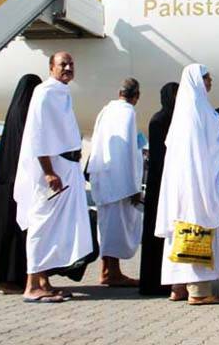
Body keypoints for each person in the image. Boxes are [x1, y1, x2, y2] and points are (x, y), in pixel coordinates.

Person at [14, 52, 93, 303]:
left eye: (71, 64)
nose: (68, 67)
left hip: (67, 166)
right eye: (63, 64)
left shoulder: (62, 91)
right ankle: (31, 285)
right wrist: (48, 171)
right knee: (42, 225)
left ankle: (44, 282)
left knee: (56, 228)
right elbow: (38, 135)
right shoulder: (45, 92)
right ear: (51, 67)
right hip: (53, 169)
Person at [155, 64, 219, 305]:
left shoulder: (185, 110)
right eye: (206, 78)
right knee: (198, 226)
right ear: (196, 81)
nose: (210, 82)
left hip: (183, 184)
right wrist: (205, 182)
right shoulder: (198, 110)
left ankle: (178, 288)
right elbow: (200, 150)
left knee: (179, 230)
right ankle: (199, 291)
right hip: (198, 181)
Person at [0, 74, 42, 294]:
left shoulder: (14, 114)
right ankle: (10, 279)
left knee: (2, 233)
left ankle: (2, 278)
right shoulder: (27, 115)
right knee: (17, 233)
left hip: (4, 182)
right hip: (18, 184)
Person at [88, 77, 144, 287]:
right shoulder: (128, 112)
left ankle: (107, 270)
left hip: (104, 178)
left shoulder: (107, 110)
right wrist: (132, 187)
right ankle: (113, 272)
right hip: (119, 183)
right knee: (116, 229)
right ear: (136, 96)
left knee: (107, 227)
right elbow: (126, 152)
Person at [140, 82, 179, 297]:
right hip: (163, 183)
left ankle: (158, 280)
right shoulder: (163, 121)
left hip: (160, 183)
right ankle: (157, 281)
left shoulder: (160, 119)